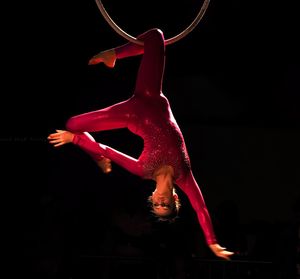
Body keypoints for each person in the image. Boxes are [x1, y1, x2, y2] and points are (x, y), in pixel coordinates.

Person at [48, 28, 234, 260]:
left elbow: (107, 149)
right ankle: (114, 54)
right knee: (156, 36)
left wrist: (74, 139)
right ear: (175, 199)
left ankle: (95, 158)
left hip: (130, 114)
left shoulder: (142, 169)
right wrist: (212, 243)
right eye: (165, 206)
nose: (160, 202)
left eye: (156, 205)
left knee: (73, 124)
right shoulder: (185, 177)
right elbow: (201, 209)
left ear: (153, 198)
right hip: (152, 96)